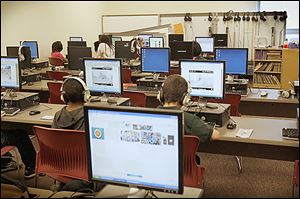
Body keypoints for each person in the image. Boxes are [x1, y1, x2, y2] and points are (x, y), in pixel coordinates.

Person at [157, 74, 220, 143]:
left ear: (161, 95)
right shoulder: (187, 119)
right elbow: (216, 135)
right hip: (183, 154)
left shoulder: (151, 114)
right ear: (185, 98)